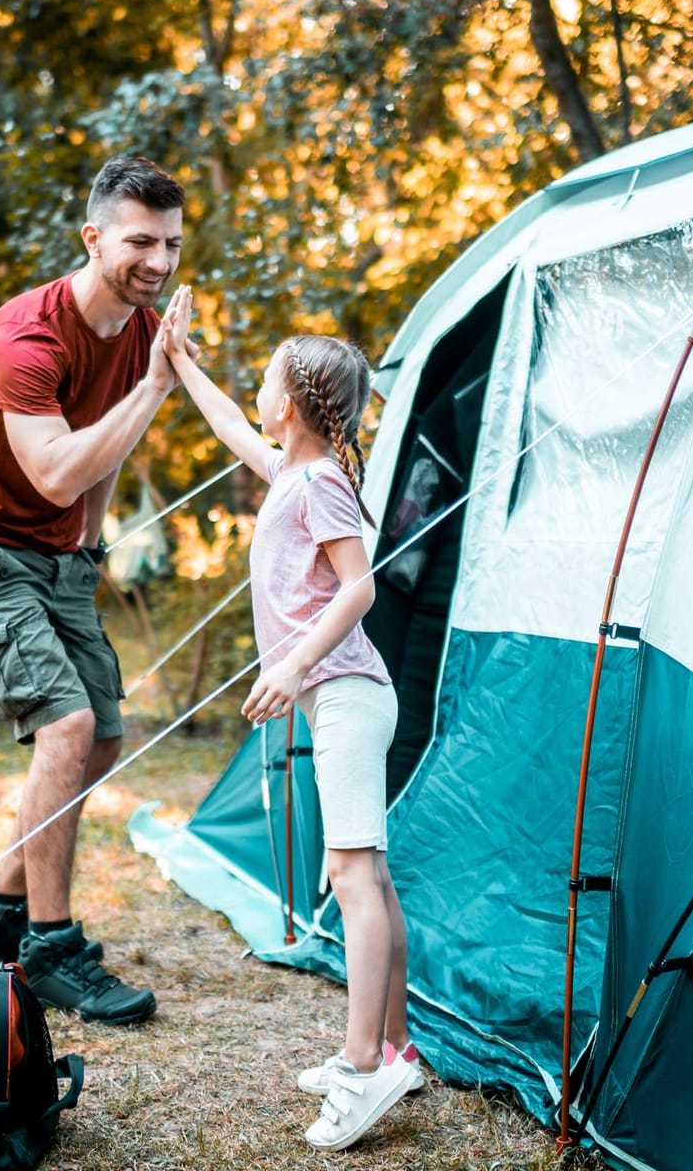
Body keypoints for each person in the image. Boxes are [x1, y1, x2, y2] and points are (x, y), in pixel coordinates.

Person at [0, 155, 188, 1025]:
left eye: (173, 244)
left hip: (59, 552)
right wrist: (154, 387)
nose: (158, 260)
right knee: (66, 727)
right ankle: (48, 946)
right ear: (95, 237)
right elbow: (51, 470)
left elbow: (101, 464)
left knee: (104, 734)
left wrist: (89, 541)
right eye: (141, 241)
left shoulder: (140, 330)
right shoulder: (25, 337)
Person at [159, 302, 422, 1151]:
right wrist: (181, 361)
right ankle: (397, 1049)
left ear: (296, 404)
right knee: (368, 875)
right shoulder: (291, 474)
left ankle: (360, 1072)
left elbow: (360, 588)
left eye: (267, 379)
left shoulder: (321, 484)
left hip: (345, 692)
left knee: (351, 875)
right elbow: (232, 424)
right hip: (338, 692)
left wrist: (293, 664)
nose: (257, 392)